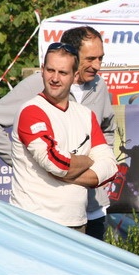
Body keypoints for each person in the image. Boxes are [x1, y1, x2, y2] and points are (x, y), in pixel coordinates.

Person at [0, 26, 115, 240]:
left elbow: (108, 131)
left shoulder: (99, 86)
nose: (97, 66)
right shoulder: (37, 85)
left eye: (100, 58)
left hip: (90, 207)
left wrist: (92, 168)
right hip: (43, 213)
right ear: (73, 56)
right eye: (90, 59)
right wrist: (25, 162)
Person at [10, 43, 117, 230]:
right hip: (33, 222)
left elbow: (110, 167)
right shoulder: (31, 111)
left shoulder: (86, 114)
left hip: (77, 223)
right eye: (50, 70)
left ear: (75, 76)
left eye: (63, 72)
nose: (55, 78)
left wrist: (68, 171)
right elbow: (56, 163)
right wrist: (88, 160)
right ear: (42, 70)